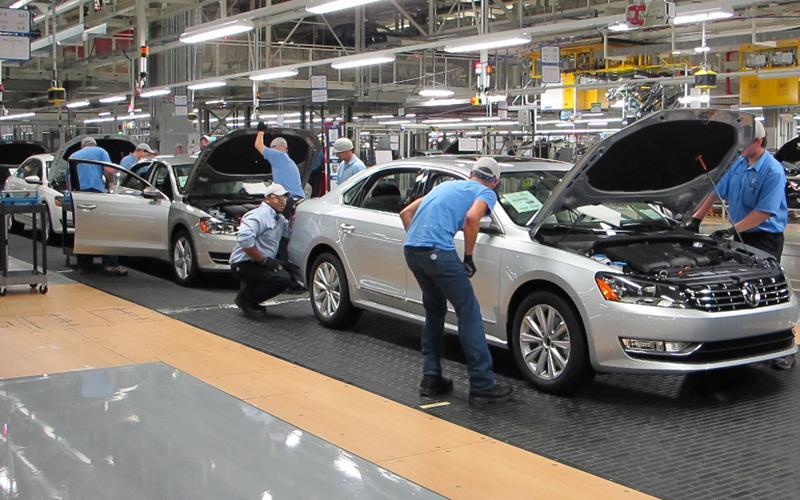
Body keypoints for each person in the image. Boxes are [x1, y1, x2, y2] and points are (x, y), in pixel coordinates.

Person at [399, 158, 514, 404]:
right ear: (495, 182)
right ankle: (482, 384)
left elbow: (406, 213)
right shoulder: (486, 192)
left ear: (472, 174)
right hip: (438, 251)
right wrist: (468, 257)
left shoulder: (446, 186)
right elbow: (472, 218)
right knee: (468, 310)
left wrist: (421, 243)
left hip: (411, 250)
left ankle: (431, 377)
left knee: (434, 309)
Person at [687, 119, 792, 370]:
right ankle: (745, 342)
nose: (741, 147)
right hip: (740, 235)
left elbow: (764, 213)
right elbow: (714, 191)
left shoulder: (773, 171)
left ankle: (785, 347)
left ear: (759, 141)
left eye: (746, 142)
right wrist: (695, 220)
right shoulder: (738, 165)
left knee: (769, 292)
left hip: (765, 239)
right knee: (742, 290)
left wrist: (732, 230)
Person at [229, 183, 292, 317]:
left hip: (259, 262)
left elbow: (290, 234)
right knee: (282, 279)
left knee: (290, 269)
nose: (282, 201)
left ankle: (250, 294)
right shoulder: (258, 215)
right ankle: (245, 299)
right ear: (267, 199)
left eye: (284, 198)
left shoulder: (279, 219)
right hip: (244, 264)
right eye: (278, 198)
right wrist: (263, 261)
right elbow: (245, 240)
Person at [68, 136, 128, 276]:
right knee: (106, 229)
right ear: (94, 145)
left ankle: (84, 266)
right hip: (97, 195)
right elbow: (109, 171)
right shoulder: (101, 151)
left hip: (79, 196)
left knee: (83, 230)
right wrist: (109, 183)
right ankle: (110, 264)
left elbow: (69, 182)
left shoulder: (73, 156)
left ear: (82, 146)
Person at [254, 122, 305, 214]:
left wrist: (261, 130)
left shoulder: (278, 155)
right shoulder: (287, 160)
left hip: (289, 200)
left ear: (274, 147)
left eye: (271, 148)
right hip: (297, 199)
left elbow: (258, 145)